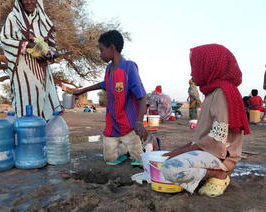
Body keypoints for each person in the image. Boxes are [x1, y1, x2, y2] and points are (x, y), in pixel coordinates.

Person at [160, 44, 250, 197]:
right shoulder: (213, 91)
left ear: (209, 67)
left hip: (220, 157)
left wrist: (187, 149)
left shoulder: (222, 93)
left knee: (169, 168)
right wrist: (187, 147)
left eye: (196, 66)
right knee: (171, 159)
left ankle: (218, 174)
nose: (191, 72)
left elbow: (219, 136)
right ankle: (208, 173)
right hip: (212, 152)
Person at [73, 30, 148, 166]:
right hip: (112, 126)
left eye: (102, 50)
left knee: (140, 160)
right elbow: (104, 84)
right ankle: (124, 149)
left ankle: (149, 145)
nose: (100, 54)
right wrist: (83, 90)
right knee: (109, 159)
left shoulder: (129, 67)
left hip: (129, 126)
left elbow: (142, 97)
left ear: (112, 48)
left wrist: (139, 122)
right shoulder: (108, 69)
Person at [0, 0, 60, 121]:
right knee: (26, 100)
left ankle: (40, 133)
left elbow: (52, 45)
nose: (28, 2)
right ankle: (26, 133)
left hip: (42, 69)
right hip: (22, 67)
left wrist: (49, 54)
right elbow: (5, 40)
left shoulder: (43, 18)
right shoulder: (13, 17)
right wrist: (27, 45)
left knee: (44, 99)